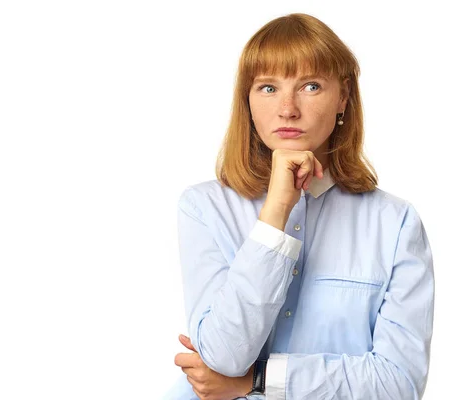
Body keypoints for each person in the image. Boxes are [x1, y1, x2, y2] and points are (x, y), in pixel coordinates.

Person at [164, 13, 434, 400]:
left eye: (310, 86)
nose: (287, 108)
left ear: (343, 98)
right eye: (268, 87)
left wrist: (256, 381)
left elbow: (397, 383)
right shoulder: (205, 207)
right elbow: (223, 356)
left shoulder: (395, 224)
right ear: (248, 101)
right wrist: (276, 210)